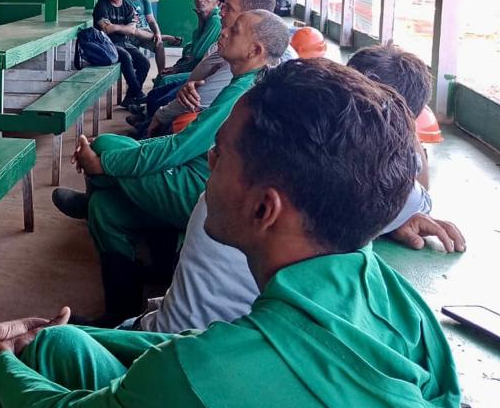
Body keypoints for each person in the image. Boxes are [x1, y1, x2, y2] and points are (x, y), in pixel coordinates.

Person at [0, 59, 460, 408]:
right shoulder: (387, 296)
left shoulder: (236, 370)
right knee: (60, 346)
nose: (208, 161)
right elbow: (219, 364)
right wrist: (50, 335)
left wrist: (3, 369)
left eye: (220, 154)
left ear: (263, 207)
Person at [134, 44, 465, 335]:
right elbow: (416, 194)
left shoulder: (246, 183)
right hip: (186, 342)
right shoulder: (344, 185)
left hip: (184, 339)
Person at [55, 10, 291, 325]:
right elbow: (186, 144)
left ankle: (103, 178)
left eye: (234, 30)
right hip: (193, 172)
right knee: (105, 209)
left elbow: (180, 148)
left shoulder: (245, 93)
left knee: (106, 146)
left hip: (203, 188)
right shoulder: (243, 80)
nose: (223, 31)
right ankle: (120, 311)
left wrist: (103, 164)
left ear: (255, 51)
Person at [133, 0, 289, 138]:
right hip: (198, 94)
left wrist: (161, 115)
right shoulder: (231, 40)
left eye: (228, 7)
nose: (220, 12)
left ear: (249, 16)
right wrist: (192, 83)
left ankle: (144, 133)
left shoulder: (252, 59)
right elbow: (201, 67)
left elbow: (198, 95)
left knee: (172, 115)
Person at [92, 0, 149, 108]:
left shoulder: (128, 8)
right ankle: (138, 93)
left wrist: (115, 27)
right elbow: (106, 28)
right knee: (126, 56)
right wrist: (123, 28)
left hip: (123, 43)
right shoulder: (102, 5)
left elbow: (131, 30)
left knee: (144, 63)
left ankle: (129, 98)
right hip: (105, 44)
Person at [155, 0, 219, 85]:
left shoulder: (215, 20)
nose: (200, 0)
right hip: (195, 65)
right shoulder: (206, 18)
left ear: (216, 2)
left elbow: (198, 53)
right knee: (162, 75)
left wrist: (180, 66)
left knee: (165, 79)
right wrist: (201, 21)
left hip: (203, 70)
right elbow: (191, 46)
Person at [124, 0, 165, 76]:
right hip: (129, 35)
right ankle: (168, 37)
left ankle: (161, 75)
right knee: (136, 61)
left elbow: (151, 20)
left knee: (159, 44)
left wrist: (158, 33)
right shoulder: (123, 0)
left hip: (145, 33)